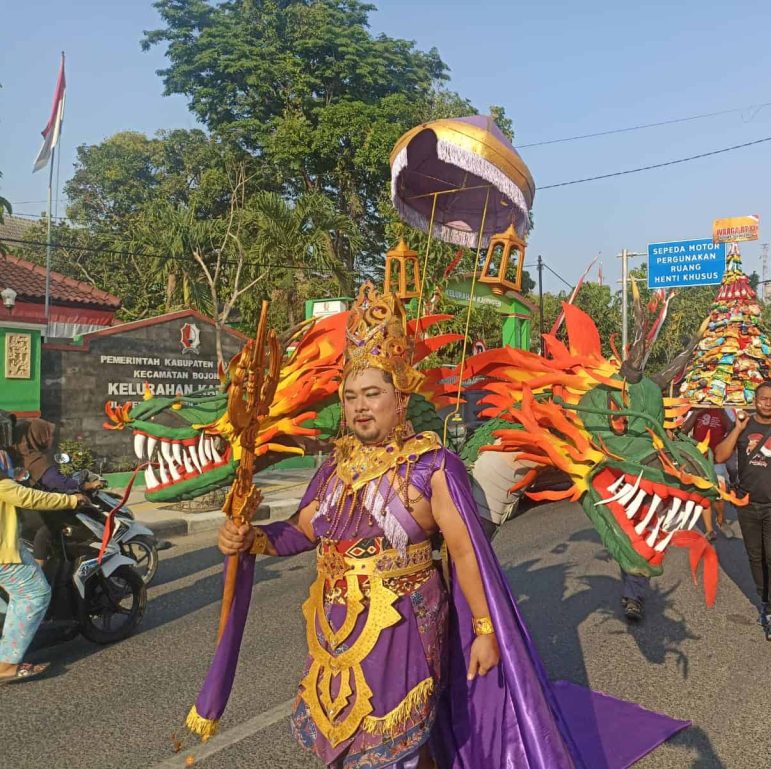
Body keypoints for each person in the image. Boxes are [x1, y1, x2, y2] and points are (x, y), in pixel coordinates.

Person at [199, 285, 686, 768]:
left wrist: (483, 630)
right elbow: (304, 531)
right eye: (351, 397)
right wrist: (255, 539)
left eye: (373, 393)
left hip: (406, 623)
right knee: (349, 746)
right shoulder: (333, 468)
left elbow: (466, 550)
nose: (360, 407)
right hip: (333, 632)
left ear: (401, 396)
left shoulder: (432, 465)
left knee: (401, 746)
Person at [715, 382, 771, 643]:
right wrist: (738, 429)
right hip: (747, 504)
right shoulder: (743, 429)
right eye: (762, 399)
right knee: (755, 557)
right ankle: (766, 601)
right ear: (754, 400)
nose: (767, 403)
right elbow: (720, 456)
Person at [0, 410, 87, 683]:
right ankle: (6, 664)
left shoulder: (12, 456)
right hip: (6, 547)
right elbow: (27, 494)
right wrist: (74, 500)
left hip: (16, 531)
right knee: (35, 594)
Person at [12, 419, 104, 564]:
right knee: (50, 528)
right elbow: (58, 482)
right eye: (48, 435)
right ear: (38, 436)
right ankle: (40, 569)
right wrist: (87, 485)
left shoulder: (25, 455)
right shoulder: (38, 460)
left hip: (30, 504)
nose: (52, 439)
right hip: (32, 508)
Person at [682, 407, 735, 540]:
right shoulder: (695, 407)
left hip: (717, 459)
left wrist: (722, 411)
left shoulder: (726, 409)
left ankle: (721, 520)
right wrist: (695, 414)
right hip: (698, 460)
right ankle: (709, 530)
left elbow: (731, 429)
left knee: (719, 495)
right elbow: (683, 430)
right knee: (703, 494)